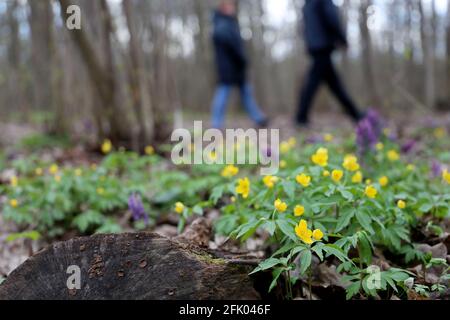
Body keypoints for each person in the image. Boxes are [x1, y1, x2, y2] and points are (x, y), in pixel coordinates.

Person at [296, 0, 364, 127]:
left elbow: (305, 27)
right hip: (323, 45)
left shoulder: (307, 4)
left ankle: (356, 114)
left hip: (314, 46)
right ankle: (300, 118)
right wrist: (342, 38)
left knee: (334, 85)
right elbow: (332, 18)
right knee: (315, 84)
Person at [210, 0, 268, 129]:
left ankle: (259, 118)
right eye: (230, 6)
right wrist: (241, 58)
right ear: (224, 7)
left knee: (246, 93)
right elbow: (231, 44)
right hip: (229, 66)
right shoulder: (222, 23)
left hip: (236, 66)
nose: (233, 8)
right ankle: (216, 123)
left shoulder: (227, 22)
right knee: (224, 92)